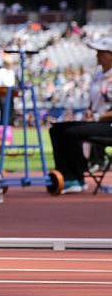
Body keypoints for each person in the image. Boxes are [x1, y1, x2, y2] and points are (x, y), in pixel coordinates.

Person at [49, 37, 112, 194]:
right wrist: (90, 112)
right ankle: (64, 175)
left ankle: (77, 177)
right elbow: (95, 102)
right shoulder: (98, 76)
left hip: (108, 125)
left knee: (71, 133)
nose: (97, 55)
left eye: (101, 52)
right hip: (97, 122)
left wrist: (98, 117)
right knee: (56, 129)